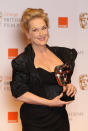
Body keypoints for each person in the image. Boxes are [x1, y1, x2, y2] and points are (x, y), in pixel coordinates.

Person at [10, 8, 77, 131]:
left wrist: (69, 87)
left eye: (43, 28)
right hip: (35, 122)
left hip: (60, 119)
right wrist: (49, 102)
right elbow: (19, 94)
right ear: (28, 34)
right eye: (35, 30)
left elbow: (64, 83)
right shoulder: (23, 61)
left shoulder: (62, 54)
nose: (41, 34)